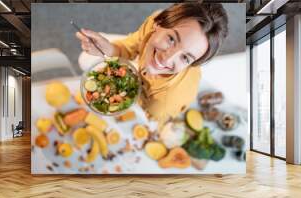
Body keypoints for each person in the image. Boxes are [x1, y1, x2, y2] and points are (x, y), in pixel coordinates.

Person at [76, 2, 228, 126]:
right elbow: (132, 45)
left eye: (185, 58)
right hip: (141, 63)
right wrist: (110, 48)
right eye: (171, 39)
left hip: (158, 99)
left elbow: (153, 116)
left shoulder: (162, 105)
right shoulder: (154, 20)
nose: (166, 59)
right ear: (158, 24)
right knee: (84, 58)